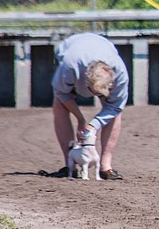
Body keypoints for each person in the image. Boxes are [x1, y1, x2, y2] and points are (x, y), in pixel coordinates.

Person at [50, 32, 129, 180]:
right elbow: (62, 93)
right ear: (86, 83)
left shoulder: (120, 74)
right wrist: (80, 119)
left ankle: (106, 167)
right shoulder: (69, 66)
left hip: (102, 47)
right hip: (71, 49)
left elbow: (115, 106)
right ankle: (70, 164)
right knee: (59, 106)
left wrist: (93, 126)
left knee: (114, 113)